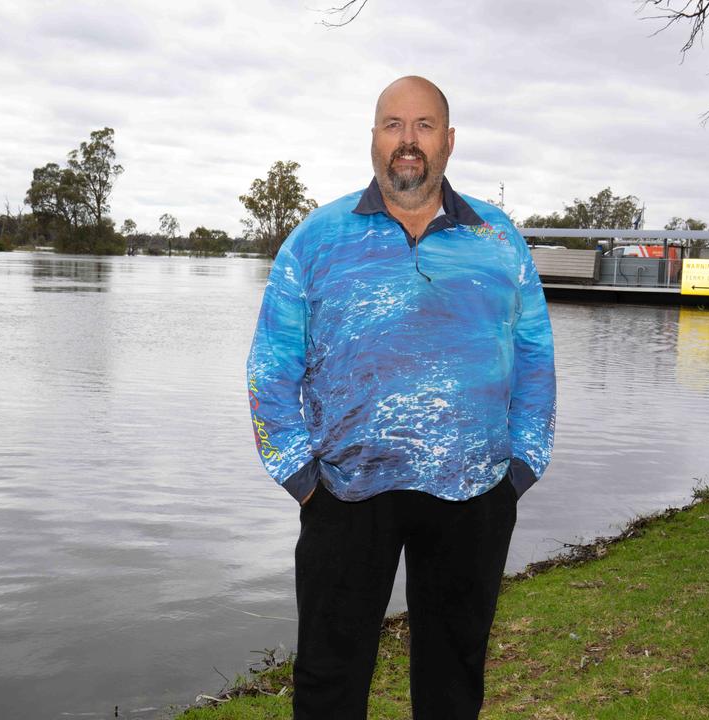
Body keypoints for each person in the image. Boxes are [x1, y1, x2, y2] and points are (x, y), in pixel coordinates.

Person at [246, 75, 556, 719]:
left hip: (475, 493)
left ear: (447, 140)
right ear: (373, 139)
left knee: (453, 675)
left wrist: (520, 468)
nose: (407, 141)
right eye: (393, 125)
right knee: (329, 678)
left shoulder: (499, 241)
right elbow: (271, 367)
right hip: (346, 494)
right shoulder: (316, 239)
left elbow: (535, 357)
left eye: (422, 126)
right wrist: (302, 477)